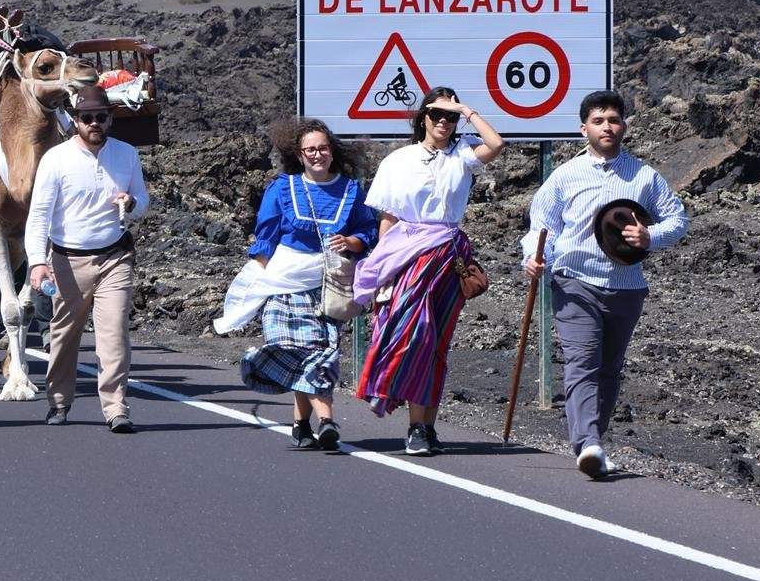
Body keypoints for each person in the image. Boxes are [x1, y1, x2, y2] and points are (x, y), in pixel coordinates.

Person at [523, 90, 687, 479]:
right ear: (584, 129)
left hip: (626, 286)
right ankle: (589, 443)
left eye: (613, 120)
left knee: (610, 368)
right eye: (598, 121)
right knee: (582, 361)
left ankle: (593, 440)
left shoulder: (644, 176)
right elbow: (540, 227)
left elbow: (677, 220)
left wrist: (650, 236)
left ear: (624, 125)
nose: (607, 127)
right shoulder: (564, 176)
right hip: (574, 282)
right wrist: (533, 257)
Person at [352, 86, 504, 456]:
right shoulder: (399, 160)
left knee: (437, 343)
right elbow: (388, 219)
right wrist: (382, 272)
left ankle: (426, 427)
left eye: (450, 117)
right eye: (437, 114)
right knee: (414, 336)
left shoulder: (462, 156)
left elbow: (496, 144)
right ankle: (415, 425)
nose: (444, 122)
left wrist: (465, 109)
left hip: (449, 255)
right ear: (423, 117)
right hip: (409, 254)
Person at [218, 118, 377, 452]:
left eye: (322, 148)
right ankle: (327, 419)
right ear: (300, 155)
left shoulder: (350, 190)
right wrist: (254, 282)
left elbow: (367, 231)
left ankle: (301, 424)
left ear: (331, 151)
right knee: (298, 351)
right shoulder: (282, 188)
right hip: (284, 284)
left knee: (319, 354)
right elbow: (266, 236)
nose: (316, 155)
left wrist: (351, 240)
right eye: (310, 150)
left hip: (325, 284)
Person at [25, 83, 151, 432]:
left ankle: (116, 409)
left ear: (110, 119)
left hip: (114, 257)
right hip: (67, 260)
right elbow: (39, 215)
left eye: (101, 117)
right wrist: (37, 262)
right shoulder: (56, 159)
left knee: (113, 335)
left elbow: (143, 200)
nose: (94, 123)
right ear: (74, 120)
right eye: (86, 118)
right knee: (64, 336)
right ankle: (60, 402)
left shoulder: (126, 154)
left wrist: (131, 204)